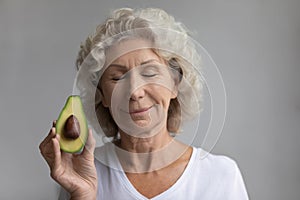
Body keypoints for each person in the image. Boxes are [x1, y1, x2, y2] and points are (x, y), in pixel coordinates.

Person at [39, 7, 249, 200]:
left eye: (149, 73)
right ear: (102, 95)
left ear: (175, 84)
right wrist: (82, 195)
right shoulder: (85, 171)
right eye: (117, 78)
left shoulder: (220, 176)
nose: (135, 92)